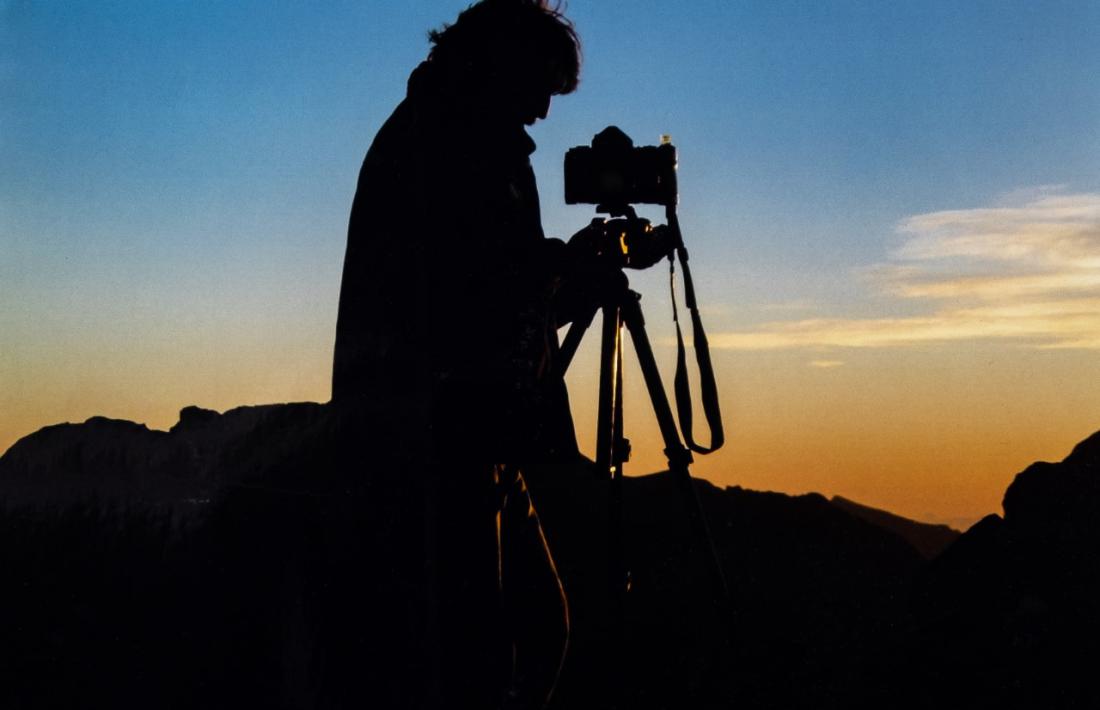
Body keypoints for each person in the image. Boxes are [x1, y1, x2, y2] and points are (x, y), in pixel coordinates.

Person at [330, 2, 599, 707]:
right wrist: (563, 274)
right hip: (435, 442)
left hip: (472, 432)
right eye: (540, 85)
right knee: (482, 652)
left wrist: (562, 274)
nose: (544, 111)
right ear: (501, 64)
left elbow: (497, 282)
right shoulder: (444, 142)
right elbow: (468, 289)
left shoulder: (459, 134)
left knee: (534, 631)